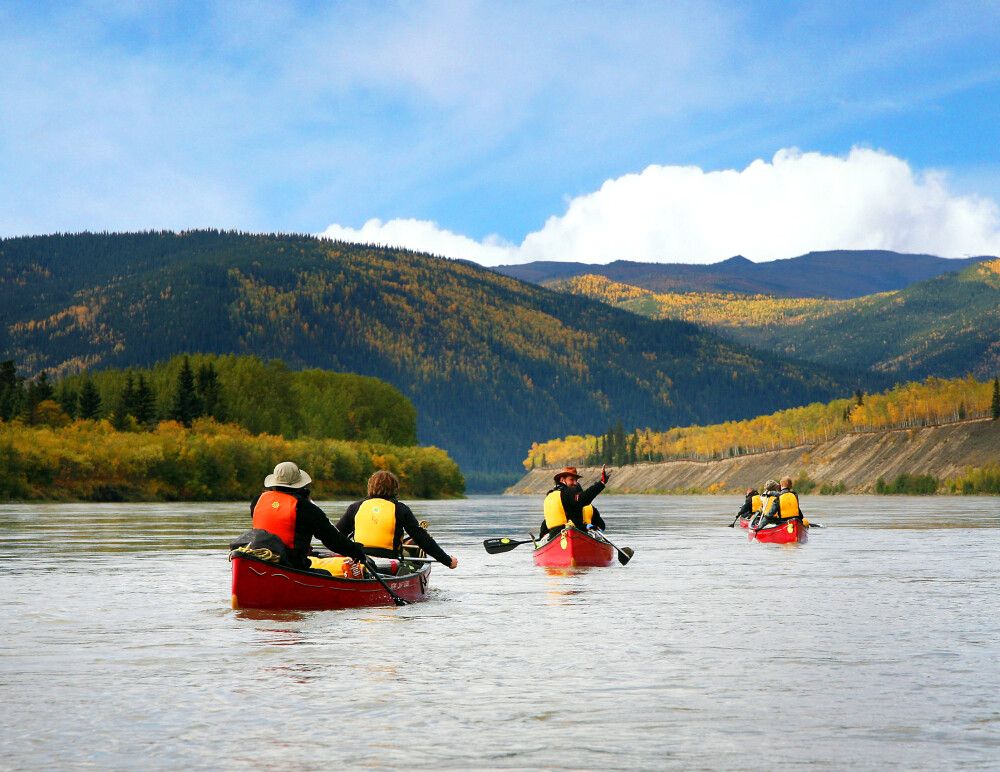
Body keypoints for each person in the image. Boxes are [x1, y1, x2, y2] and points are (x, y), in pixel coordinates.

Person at [248, 461, 367, 569]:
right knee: (327, 575)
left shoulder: (257, 501)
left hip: (259, 558)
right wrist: (356, 551)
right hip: (291, 565)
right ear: (299, 485)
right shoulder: (306, 508)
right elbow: (332, 540)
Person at [337, 470, 459, 570]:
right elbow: (423, 540)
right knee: (412, 551)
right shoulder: (400, 509)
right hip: (390, 563)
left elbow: (336, 536)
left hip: (361, 562)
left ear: (370, 487)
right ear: (394, 489)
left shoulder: (355, 507)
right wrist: (448, 561)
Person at [539, 465, 610, 539]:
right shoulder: (567, 494)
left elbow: (545, 525)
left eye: (576, 480)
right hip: (572, 535)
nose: (575, 483)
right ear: (562, 480)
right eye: (572, 479)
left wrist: (542, 535)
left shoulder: (550, 496)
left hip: (556, 537)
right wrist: (601, 483)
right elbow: (583, 498)